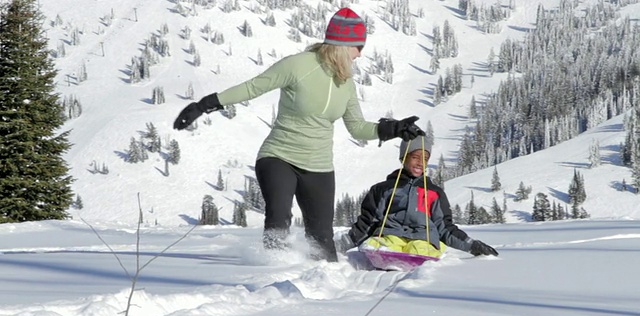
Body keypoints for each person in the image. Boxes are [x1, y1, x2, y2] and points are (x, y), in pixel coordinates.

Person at [173, 8, 425, 262]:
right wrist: (205, 104)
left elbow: (357, 127)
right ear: (342, 44)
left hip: (319, 167)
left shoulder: (345, 82)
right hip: (279, 155)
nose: (361, 52)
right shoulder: (298, 65)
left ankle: (319, 291)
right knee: (279, 216)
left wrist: (394, 129)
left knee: (322, 242)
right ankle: (271, 271)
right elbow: (253, 87)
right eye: (358, 46)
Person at [344, 135, 499, 259]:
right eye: (415, 157)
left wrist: (472, 245)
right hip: (391, 235)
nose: (420, 162)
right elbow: (369, 222)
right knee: (378, 244)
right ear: (403, 158)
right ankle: (385, 254)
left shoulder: (434, 193)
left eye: (425, 158)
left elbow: (445, 228)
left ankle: (419, 256)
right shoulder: (383, 189)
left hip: (422, 238)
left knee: (419, 248)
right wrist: (346, 242)